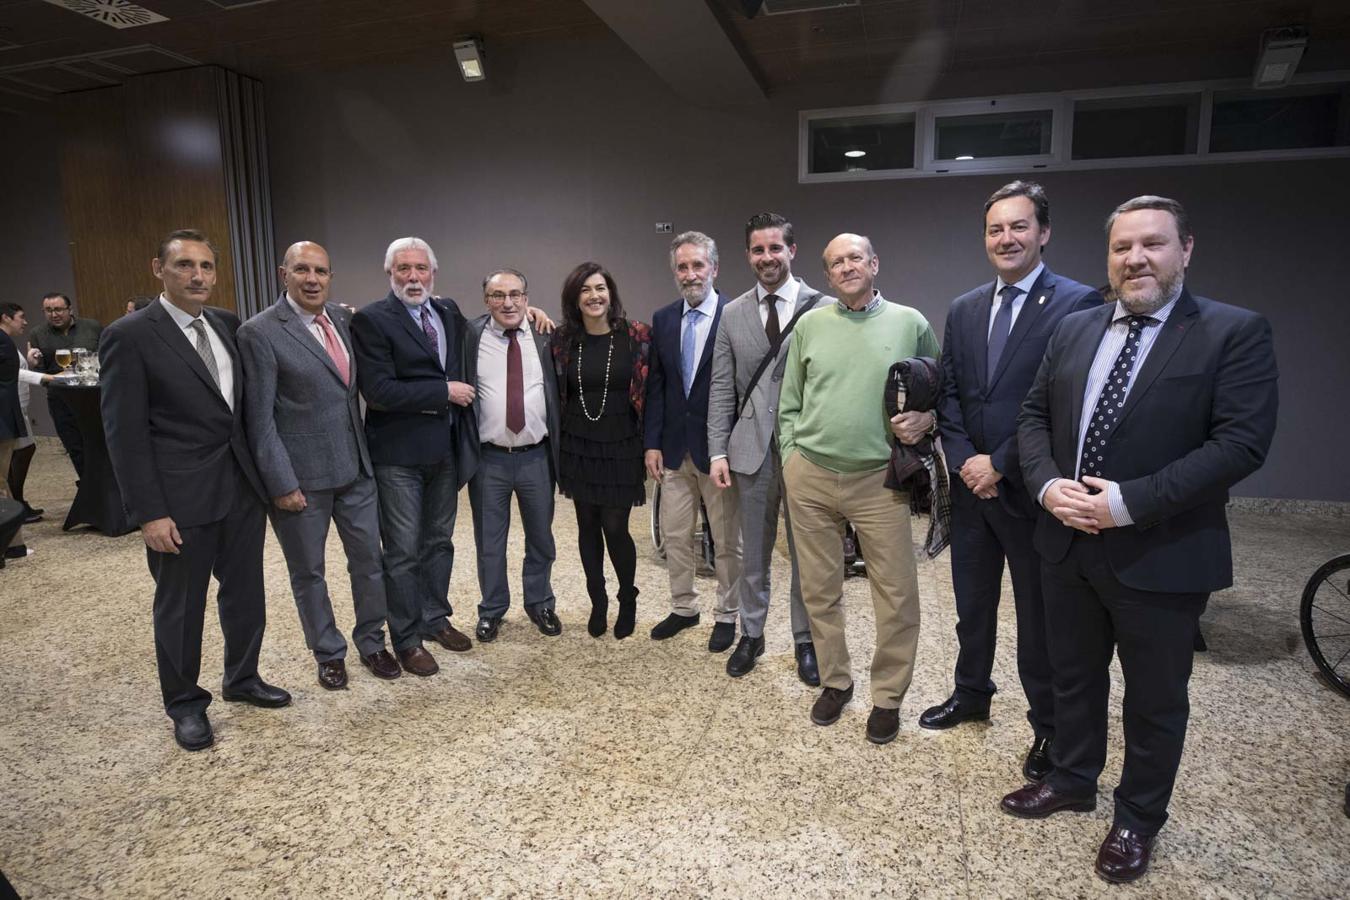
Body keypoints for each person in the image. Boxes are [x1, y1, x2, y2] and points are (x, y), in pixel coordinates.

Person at [1003, 196, 1279, 884]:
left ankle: (1136, 819)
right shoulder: (1075, 328)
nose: (1136, 259)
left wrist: (1130, 503)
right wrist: (1044, 485)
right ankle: (1071, 778)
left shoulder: (1231, 332)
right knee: (1072, 677)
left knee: (1155, 699)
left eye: (1153, 244)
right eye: (1123, 247)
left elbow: (1241, 443)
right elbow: (1033, 417)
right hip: (1066, 543)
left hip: (1162, 552)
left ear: (1186, 249)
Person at [922, 181, 1103, 782]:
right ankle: (971, 693)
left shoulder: (1078, 305)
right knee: (972, 609)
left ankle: (1047, 729)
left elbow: (1060, 403)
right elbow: (948, 392)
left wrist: (999, 462)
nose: (1007, 238)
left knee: (1038, 622)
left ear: (1043, 233)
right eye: (996, 229)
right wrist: (966, 458)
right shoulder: (966, 307)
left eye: (1019, 227)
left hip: (1032, 494)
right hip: (973, 494)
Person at [100, 229, 290, 752]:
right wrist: (149, 512)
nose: (198, 275)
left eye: (206, 266)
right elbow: (125, 433)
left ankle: (243, 677)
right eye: (184, 265)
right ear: (158, 269)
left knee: (246, 594)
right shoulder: (130, 335)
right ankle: (184, 704)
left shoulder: (227, 324)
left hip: (240, 490)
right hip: (178, 501)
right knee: (181, 606)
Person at [778, 233, 940, 745]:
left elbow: (940, 389)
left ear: (874, 262)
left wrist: (928, 416)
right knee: (819, 590)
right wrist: (790, 460)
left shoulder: (910, 322)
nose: (846, 267)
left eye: (855, 258)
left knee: (895, 594)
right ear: (826, 276)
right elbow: (790, 401)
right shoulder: (810, 325)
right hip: (811, 477)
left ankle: (888, 696)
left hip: (879, 481)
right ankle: (835, 681)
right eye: (835, 263)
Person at [237, 241, 401, 690]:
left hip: (356, 470)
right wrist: (281, 483)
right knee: (309, 571)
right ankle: (327, 652)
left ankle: (373, 641)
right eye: (302, 270)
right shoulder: (261, 332)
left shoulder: (345, 320)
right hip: (300, 481)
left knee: (370, 561)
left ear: (331, 277)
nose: (313, 279)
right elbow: (260, 418)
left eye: (322, 271)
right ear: (282, 274)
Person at [707, 212, 825, 684]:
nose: (767, 257)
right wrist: (718, 451)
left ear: (792, 251)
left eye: (775, 248)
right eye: (758, 250)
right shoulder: (732, 314)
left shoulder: (824, 308)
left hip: (807, 453)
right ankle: (751, 635)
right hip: (750, 452)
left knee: (808, 555)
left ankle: (806, 641)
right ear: (748, 256)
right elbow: (721, 390)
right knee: (752, 551)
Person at [349, 236, 476, 675]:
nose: (413, 277)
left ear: (433, 273)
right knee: (402, 550)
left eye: (421, 268)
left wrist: (531, 312)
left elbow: (477, 335)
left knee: (439, 542)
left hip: (444, 451)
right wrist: (443, 391)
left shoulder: (447, 312)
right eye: (403, 269)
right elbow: (379, 392)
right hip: (397, 456)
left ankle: (434, 617)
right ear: (390, 274)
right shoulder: (372, 320)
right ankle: (406, 638)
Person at [645, 231, 744, 651]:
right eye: (682, 267)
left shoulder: (736, 315)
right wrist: (651, 442)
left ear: (714, 268)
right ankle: (684, 607)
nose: (690, 274)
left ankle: (727, 613)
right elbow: (658, 386)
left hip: (717, 450)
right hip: (672, 448)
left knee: (725, 539)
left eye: (697, 265)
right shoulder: (664, 319)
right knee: (675, 535)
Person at [551, 262, 651, 639]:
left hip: (622, 444)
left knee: (615, 526)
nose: (594, 296)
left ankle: (628, 597)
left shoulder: (637, 335)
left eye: (600, 288)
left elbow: (652, 392)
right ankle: (598, 600)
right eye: (585, 290)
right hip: (579, 445)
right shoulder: (562, 340)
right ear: (574, 299)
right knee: (587, 526)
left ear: (611, 293)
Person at [462, 268, 563, 642]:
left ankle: (540, 603)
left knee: (541, 538)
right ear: (486, 299)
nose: (508, 302)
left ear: (526, 297)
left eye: (516, 294)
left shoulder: (544, 334)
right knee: (490, 543)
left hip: (536, 457)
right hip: (489, 460)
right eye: (498, 295)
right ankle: (492, 609)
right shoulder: (470, 335)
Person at [26, 292, 101, 479]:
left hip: (93, 396)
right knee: (74, 446)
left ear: (70, 309)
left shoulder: (92, 327)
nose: (54, 314)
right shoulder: (37, 334)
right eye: (48, 310)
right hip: (61, 399)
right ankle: (87, 486)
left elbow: (107, 357)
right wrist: (33, 364)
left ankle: (109, 488)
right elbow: (41, 375)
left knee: (100, 444)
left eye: (58, 309)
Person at [1, 303, 51, 525]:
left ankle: (16, 502)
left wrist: (30, 363)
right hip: (10, 408)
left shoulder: (8, 340)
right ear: (6, 317)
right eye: (21, 317)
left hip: (17, 405)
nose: (25, 322)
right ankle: (15, 504)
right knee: (21, 451)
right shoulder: (2, 341)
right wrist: (44, 378)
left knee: (21, 451)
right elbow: (11, 374)